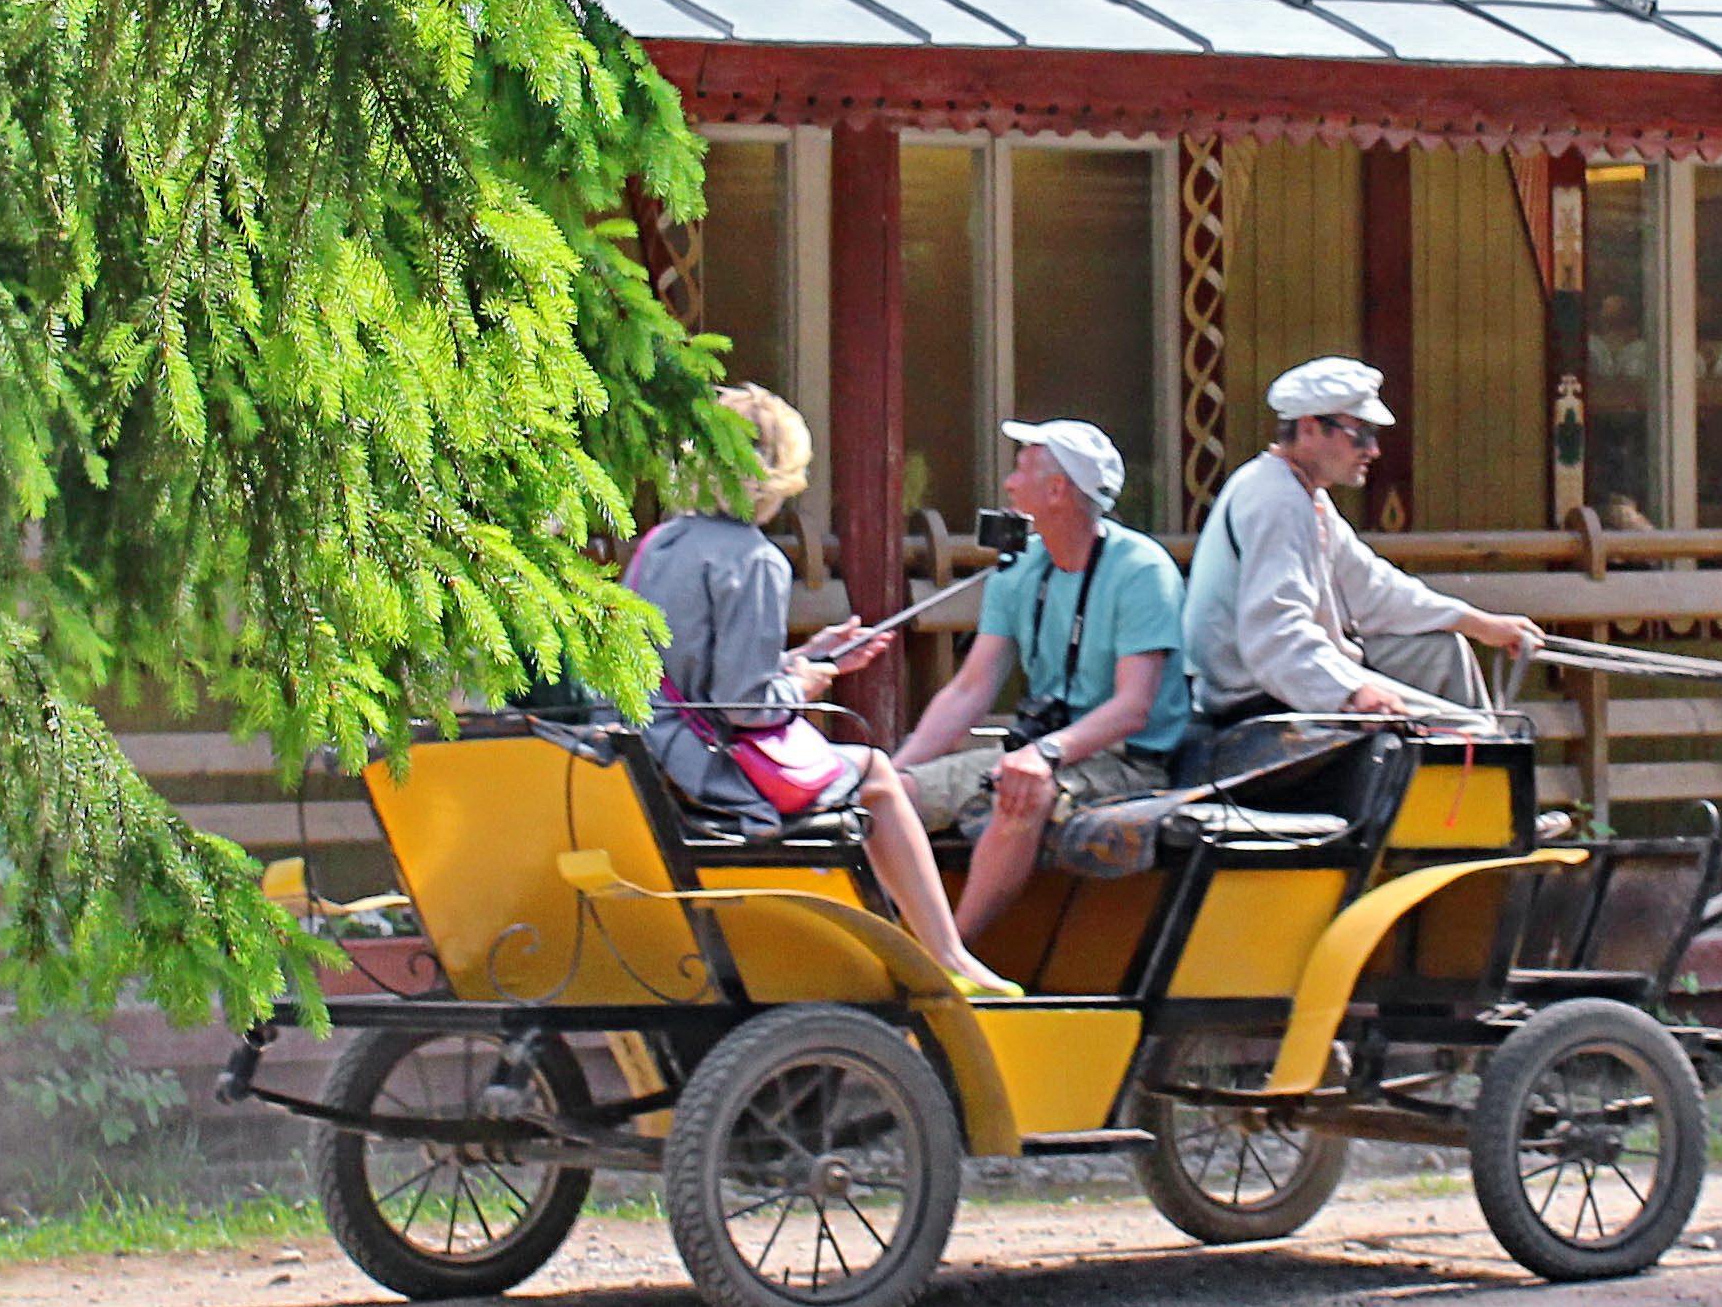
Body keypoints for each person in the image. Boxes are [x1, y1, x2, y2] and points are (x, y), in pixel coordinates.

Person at [625, 384, 1023, 999]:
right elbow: (745, 708)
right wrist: (803, 682)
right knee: (877, 772)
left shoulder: (661, 543)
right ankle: (949, 955)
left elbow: (692, 672)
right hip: (708, 772)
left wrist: (802, 658)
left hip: (653, 754)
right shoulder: (755, 558)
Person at [892, 420, 1192, 938]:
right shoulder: (1021, 568)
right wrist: (897, 771)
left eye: (1020, 471)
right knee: (893, 797)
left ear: (1057, 490)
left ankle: (950, 957)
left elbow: (1133, 706)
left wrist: (1047, 754)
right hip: (1035, 749)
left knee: (1024, 794)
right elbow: (971, 688)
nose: (1008, 485)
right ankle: (893, 940)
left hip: (1126, 761)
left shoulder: (1142, 569)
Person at [1182, 357, 1541, 732]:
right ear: (1308, 428)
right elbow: (1275, 637)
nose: (1373, 450)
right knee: (1471, 731)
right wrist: (1353, 693)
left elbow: (1373, 588)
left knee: (1443, 652)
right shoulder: (1276, 500)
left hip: (1283, 678)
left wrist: (1480, 624)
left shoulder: (1305, 495)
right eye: (1361, 434)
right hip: (1252, 697)